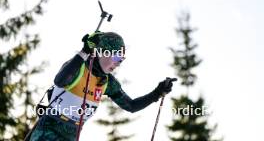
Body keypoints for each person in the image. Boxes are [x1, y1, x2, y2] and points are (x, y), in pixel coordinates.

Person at [28, 31, 176, 141]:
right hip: (48, 131)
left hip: (72, 135)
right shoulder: (78, 66)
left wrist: (157, 92)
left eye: (122, 59)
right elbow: (60, 81)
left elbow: (131, 106)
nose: (118, 63)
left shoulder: (107, 81)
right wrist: (86, 50)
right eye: (117, 57)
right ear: (102, 52)